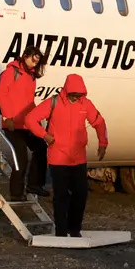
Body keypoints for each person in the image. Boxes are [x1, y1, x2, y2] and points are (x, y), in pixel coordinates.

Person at [24, 73, 107, 238]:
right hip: (58, 157)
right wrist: (44, 134)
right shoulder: (54, 102)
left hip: (78, 157)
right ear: (67, 91)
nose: (76, 98)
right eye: (73, 95)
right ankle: (61, 230)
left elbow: (99, 122)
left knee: (81, 193)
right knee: (61, 195)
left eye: (79, 95)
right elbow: (30, 119)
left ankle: (74, 228)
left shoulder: (86, 104)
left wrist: (103, 143)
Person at [0, 43, 48, 200]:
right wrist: (7, 117)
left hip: (27, 124)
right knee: (21, 158)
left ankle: (34, 185)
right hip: (12, 124)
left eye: (37, 61)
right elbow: (1, 95)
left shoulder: (31, 76)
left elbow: (29, 101)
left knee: (40, 148)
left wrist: (39, 116)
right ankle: (16, 193)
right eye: (33, 60)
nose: (35, 63)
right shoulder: (11, 72)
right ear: (25, 56)